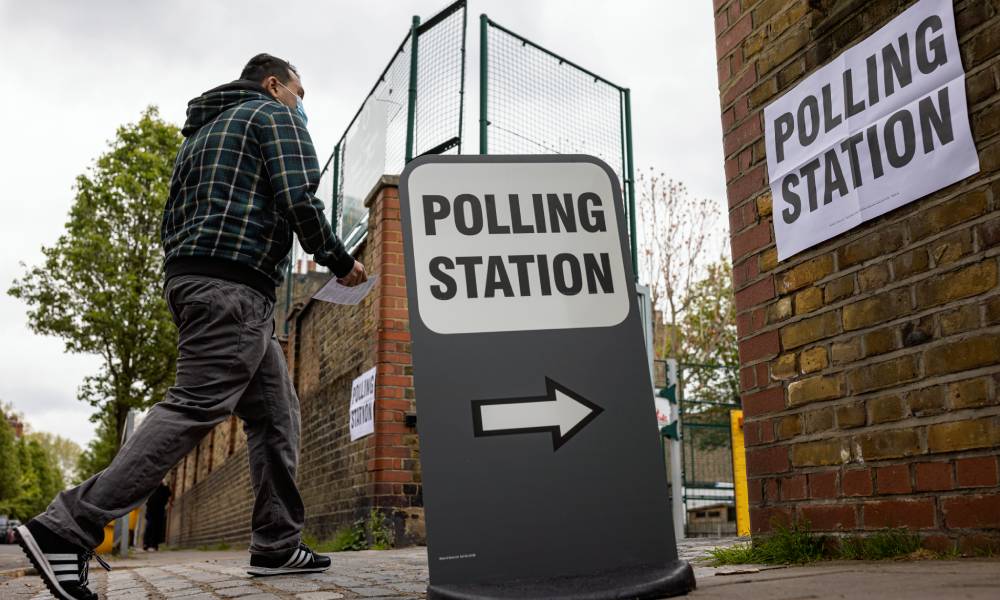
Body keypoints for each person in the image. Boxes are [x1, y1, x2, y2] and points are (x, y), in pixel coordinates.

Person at [16, 53, 367, 600]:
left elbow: (170, 218)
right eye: (301, 95)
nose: (303, 108)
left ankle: (277, 543)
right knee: (195, 405)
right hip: (233, 286)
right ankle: (67, 527)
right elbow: (299, 198)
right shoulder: (272, 116)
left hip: (195, 280)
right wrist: (341, 262)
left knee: (277, 415)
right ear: (275, 85)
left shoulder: (200, 136)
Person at [142, 482, 171, 551]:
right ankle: (147, 543)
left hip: (159, 510)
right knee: (150, 526)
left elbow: (169, 494)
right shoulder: (152, 485)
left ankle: (154, 544)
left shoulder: (164, 487)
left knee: (157, 527)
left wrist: (166, 485)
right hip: (151, 509)